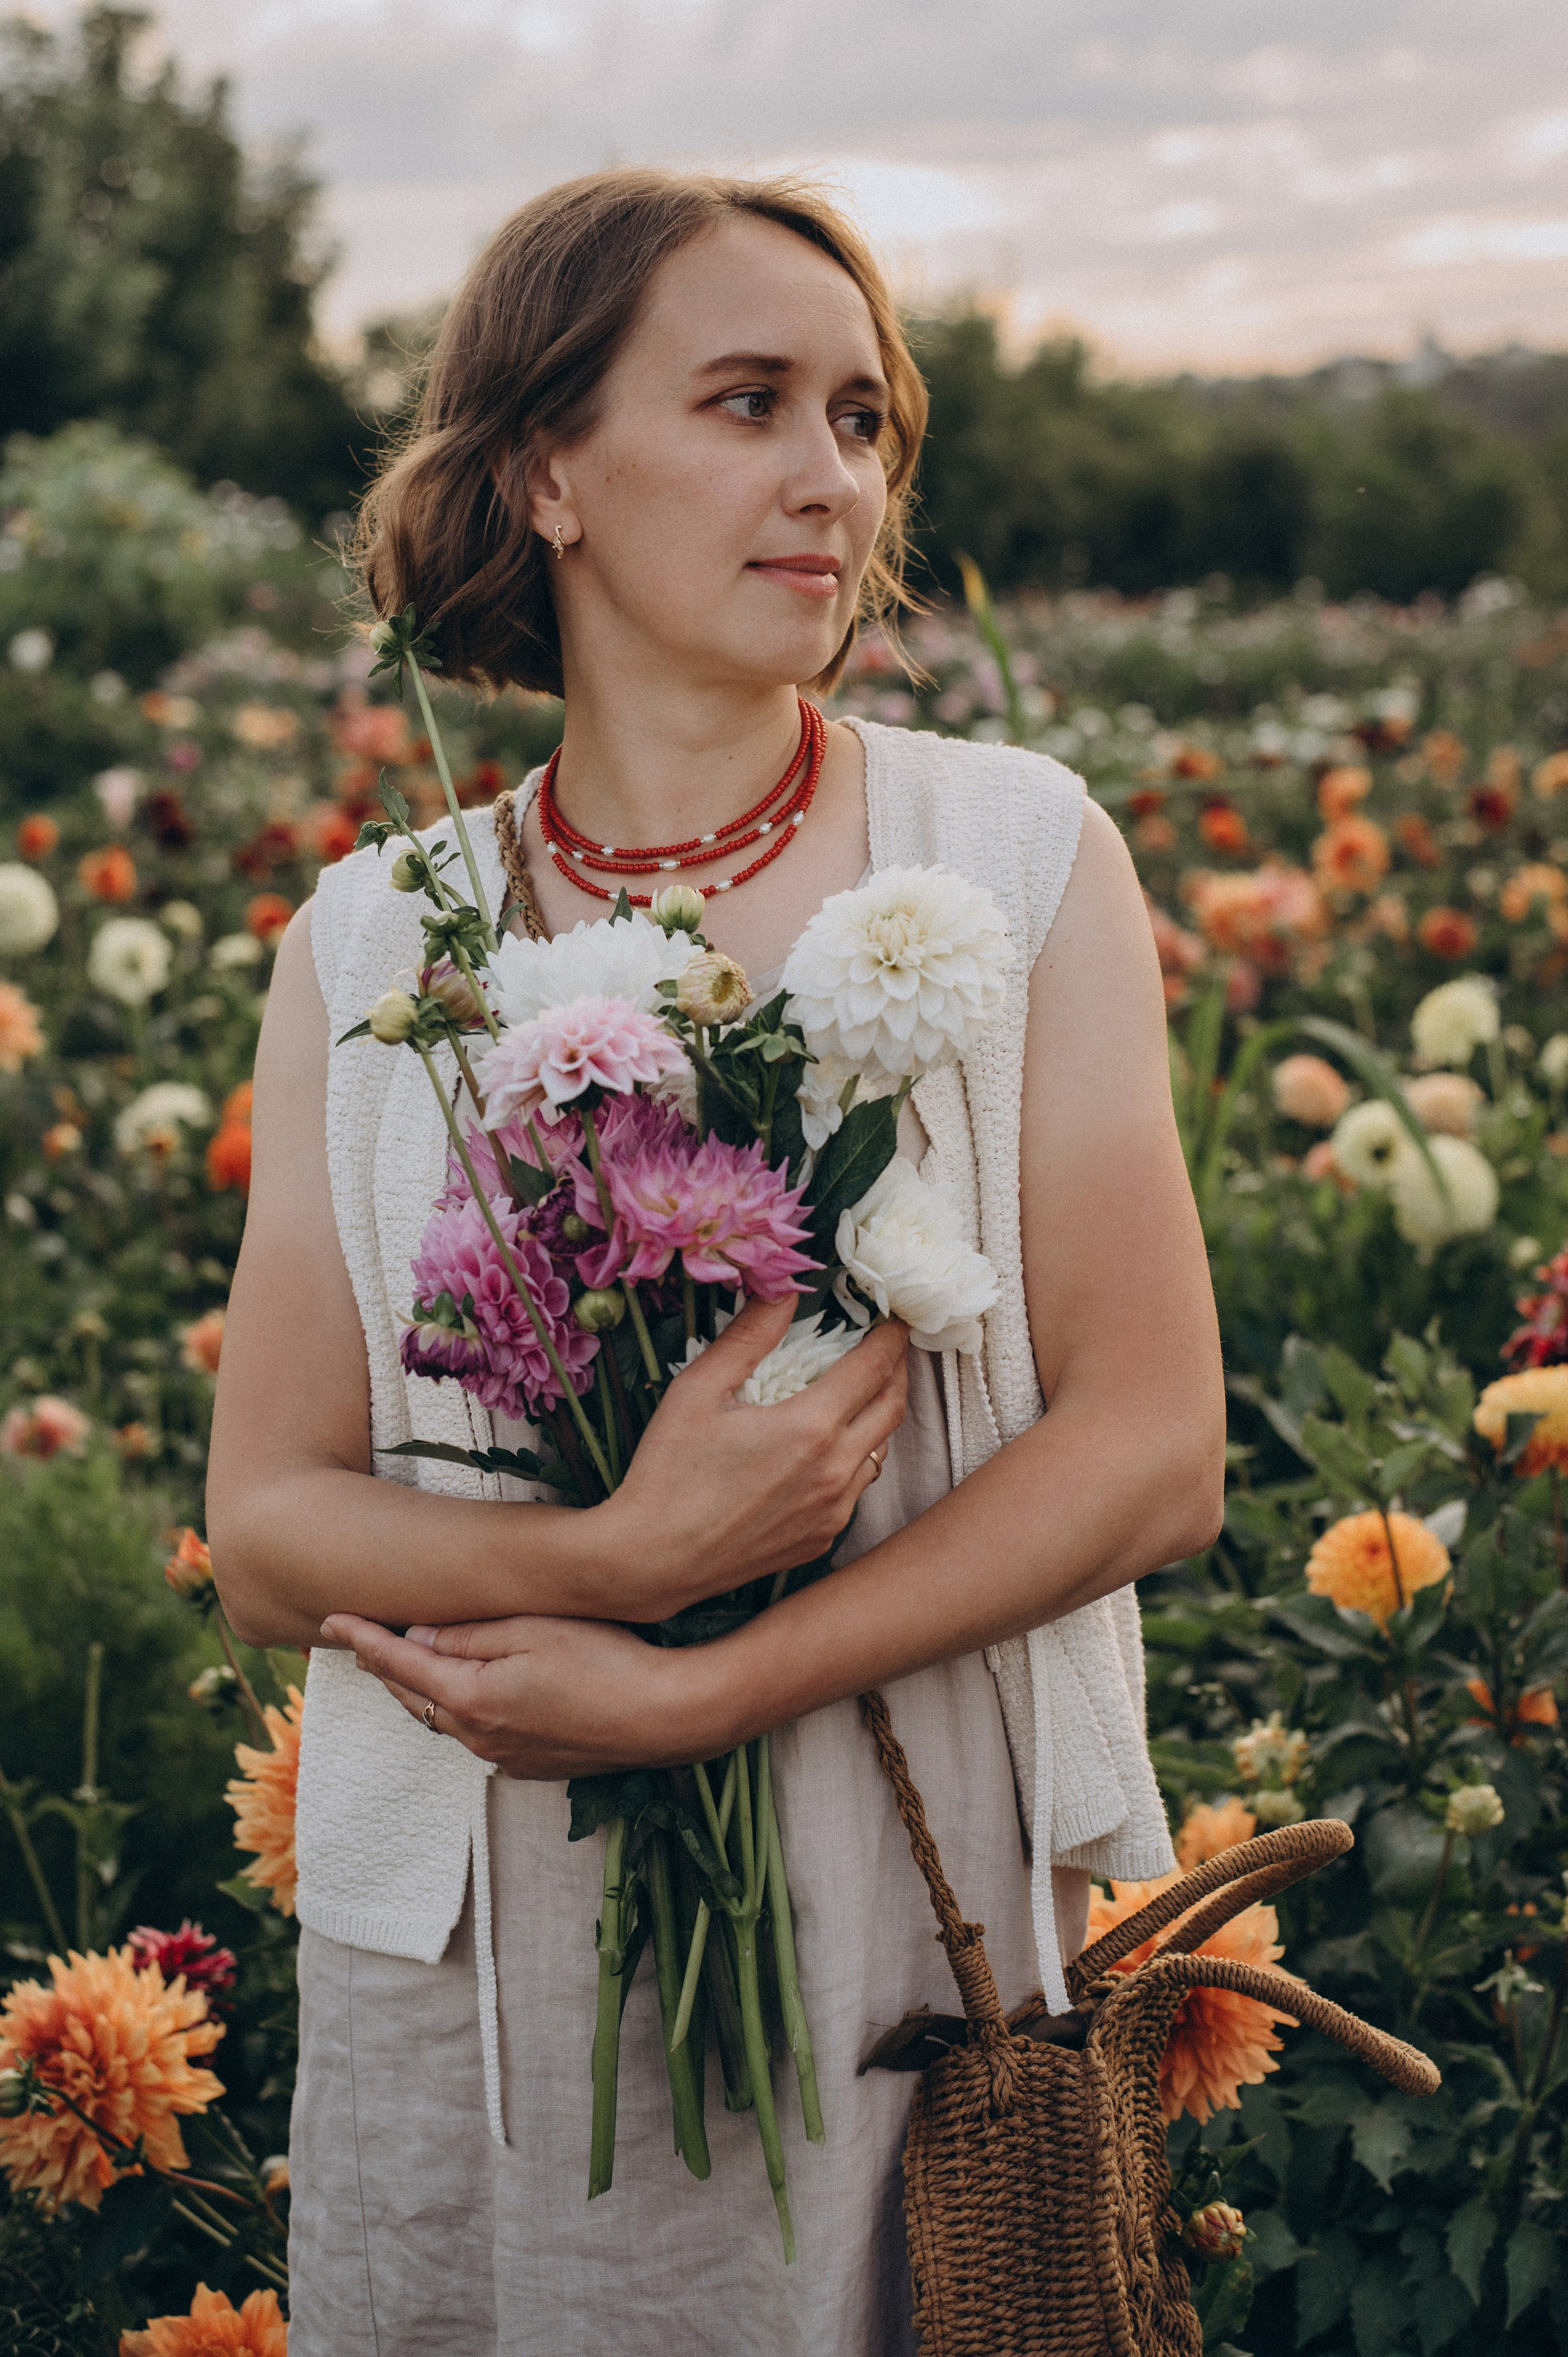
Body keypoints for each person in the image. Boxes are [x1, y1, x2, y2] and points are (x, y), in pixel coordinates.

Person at [207, 168, 1224, 2357]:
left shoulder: (1011, 854)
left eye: (863, 421)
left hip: (908, 1876)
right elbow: (270, 1534)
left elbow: (1155, 1453)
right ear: (545, 472)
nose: (828, 481)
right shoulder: (380, 943)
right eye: (750, 403)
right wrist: (627, 1548)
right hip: (490, 1920)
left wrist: (691, 1679)